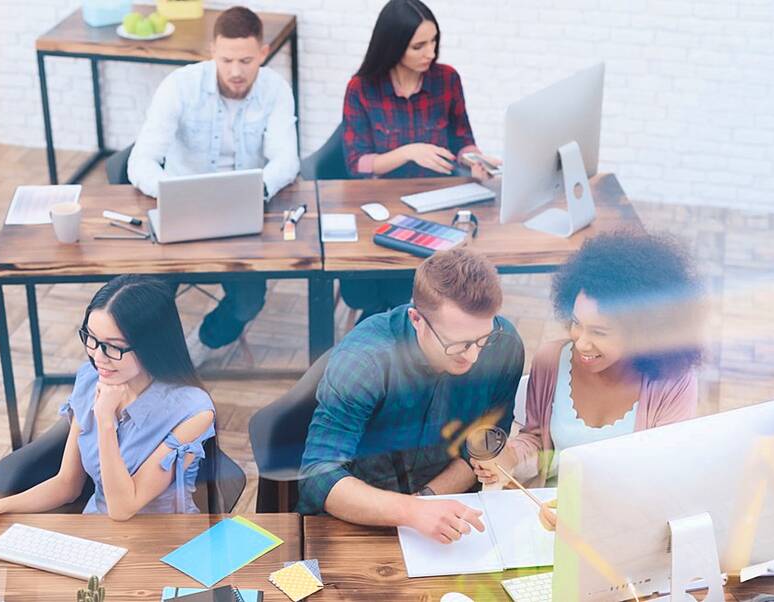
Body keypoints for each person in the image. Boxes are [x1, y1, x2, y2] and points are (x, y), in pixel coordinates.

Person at [0, 276, 216, 540]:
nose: (97, 356)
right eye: (91, 339)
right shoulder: (90, 380)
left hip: (158, 543)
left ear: (152, 347)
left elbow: (122, 508)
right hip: (93, 530)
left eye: (113, 347)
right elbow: (67, 484)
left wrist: (106, 421)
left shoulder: (193, 412)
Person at [470, 231, 704, 529]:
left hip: (625, 527)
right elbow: (537, 443)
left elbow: (663, 478)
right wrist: (510, 460)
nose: (580, 343)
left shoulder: (673, 383)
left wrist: (586, 516)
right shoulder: (550, 360)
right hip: (548, 521)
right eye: (577, 324)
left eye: (600, 332)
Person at [297, 244, 525, 546]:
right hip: (358, 520)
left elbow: (481, 443)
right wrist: (412, 511)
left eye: (483, 339)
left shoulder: (504, 345)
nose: (472, 356)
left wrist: (426, 501)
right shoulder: (365, 360)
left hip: (447, 515)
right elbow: (317, 477)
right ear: (417, 320)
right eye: (457, 344)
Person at [128, 6, 300, 351]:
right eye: (226, 60)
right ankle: (159, 360)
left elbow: (287, 159)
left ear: (263, 53)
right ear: (212, 52)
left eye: (247, 61)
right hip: (180, 214)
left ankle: (201, 345)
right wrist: (170, 192)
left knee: (250, 301)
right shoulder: (179, 86)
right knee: (145, 300)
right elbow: (140, 161)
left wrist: (257, 189)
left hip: (244, 215)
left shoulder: (276, 90)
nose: (236, 71)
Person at [338, 0, 501, 321]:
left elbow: (461, 139)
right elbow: (356, 163)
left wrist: (474, 160)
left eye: (434, 41)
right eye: (419, 45)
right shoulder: (362, 88)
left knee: (428, 286)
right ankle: (380, 326)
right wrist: (408, 151)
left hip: (434, 206)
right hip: (380, 207)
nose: (431, 52)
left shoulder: (447, 80)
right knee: (373, 290)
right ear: (394, 46)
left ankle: (397, 329)